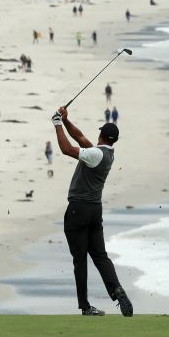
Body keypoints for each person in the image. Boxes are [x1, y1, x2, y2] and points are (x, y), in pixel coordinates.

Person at [51, 107, 133, 317]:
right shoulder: (107, 154)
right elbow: (79, 137)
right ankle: (117, 290)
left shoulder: (95, 154)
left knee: (80, 259)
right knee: (100, 256)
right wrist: (67, 121)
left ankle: (85, 306)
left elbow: (67, 149)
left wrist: (57, 124)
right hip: (95, 211)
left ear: (102, 136)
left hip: (79, 209)